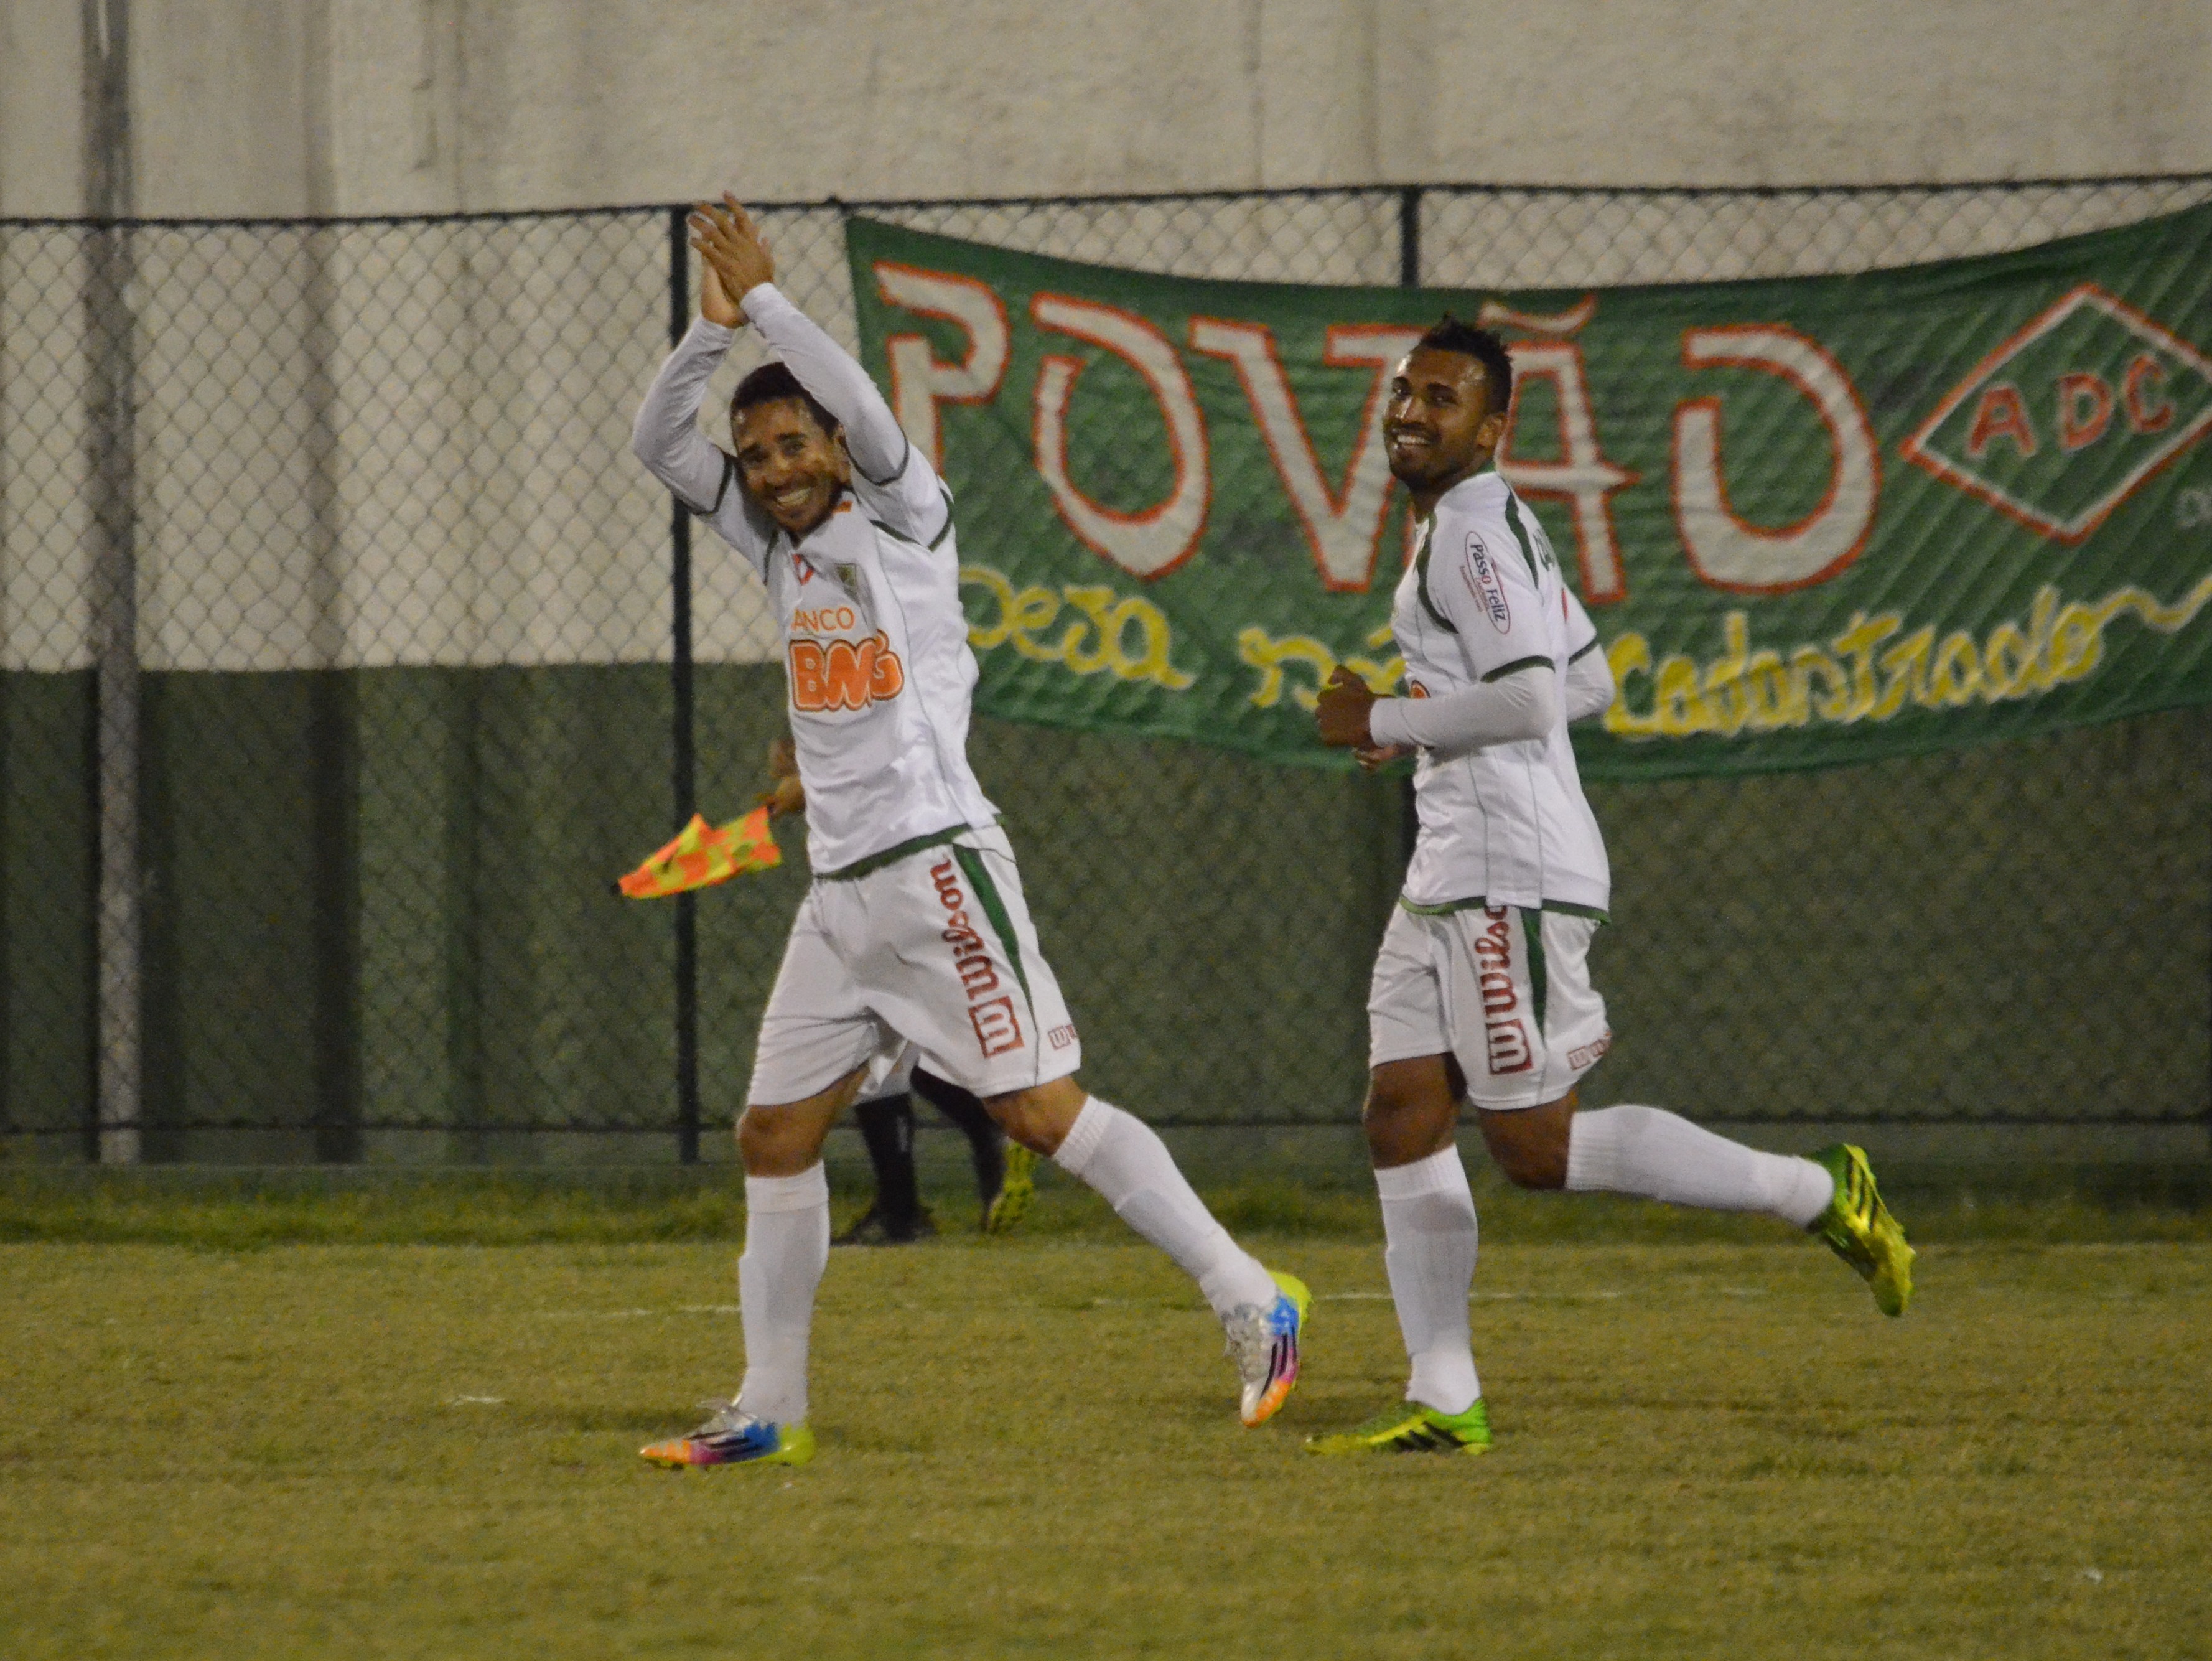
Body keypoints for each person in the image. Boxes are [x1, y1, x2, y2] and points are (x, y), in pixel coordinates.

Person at [630, 194, 1307, 1470]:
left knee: (1044, 1111)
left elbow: (874, 419)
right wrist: (707, 334)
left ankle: (1249, 1295)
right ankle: (769, 1403)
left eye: (793, 443)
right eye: (757, 452)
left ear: (835, 444)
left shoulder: (905, 520)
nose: (773, 468)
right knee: (773, 1133)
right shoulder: (772, 548)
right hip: (838, 893)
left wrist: (771, 304)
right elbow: (655, 438)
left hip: (939, 869)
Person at [1304, 317, 1914, 1458]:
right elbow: (1591, 675)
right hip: (1454, 864)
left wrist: (1384, 717)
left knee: (1533, 1147)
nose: (1410, 413)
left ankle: (1815, 1189)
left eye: (1443, 400)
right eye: (1404, 391)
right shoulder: (1486, 526)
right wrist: (1429, 716)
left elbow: (1536, 699)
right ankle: (1444, 1392)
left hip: (1508, 873)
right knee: (1400, 1111)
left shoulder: (1470, 533)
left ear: (1492, 428)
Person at [758, 739, 1037, 1244]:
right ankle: (981, 1132)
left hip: (890, 884)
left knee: (871, 1044)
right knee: (891, 1042)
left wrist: (812, 778)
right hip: (913, 880)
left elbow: (877, 762)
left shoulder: (867, 712)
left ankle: (905, 1207)